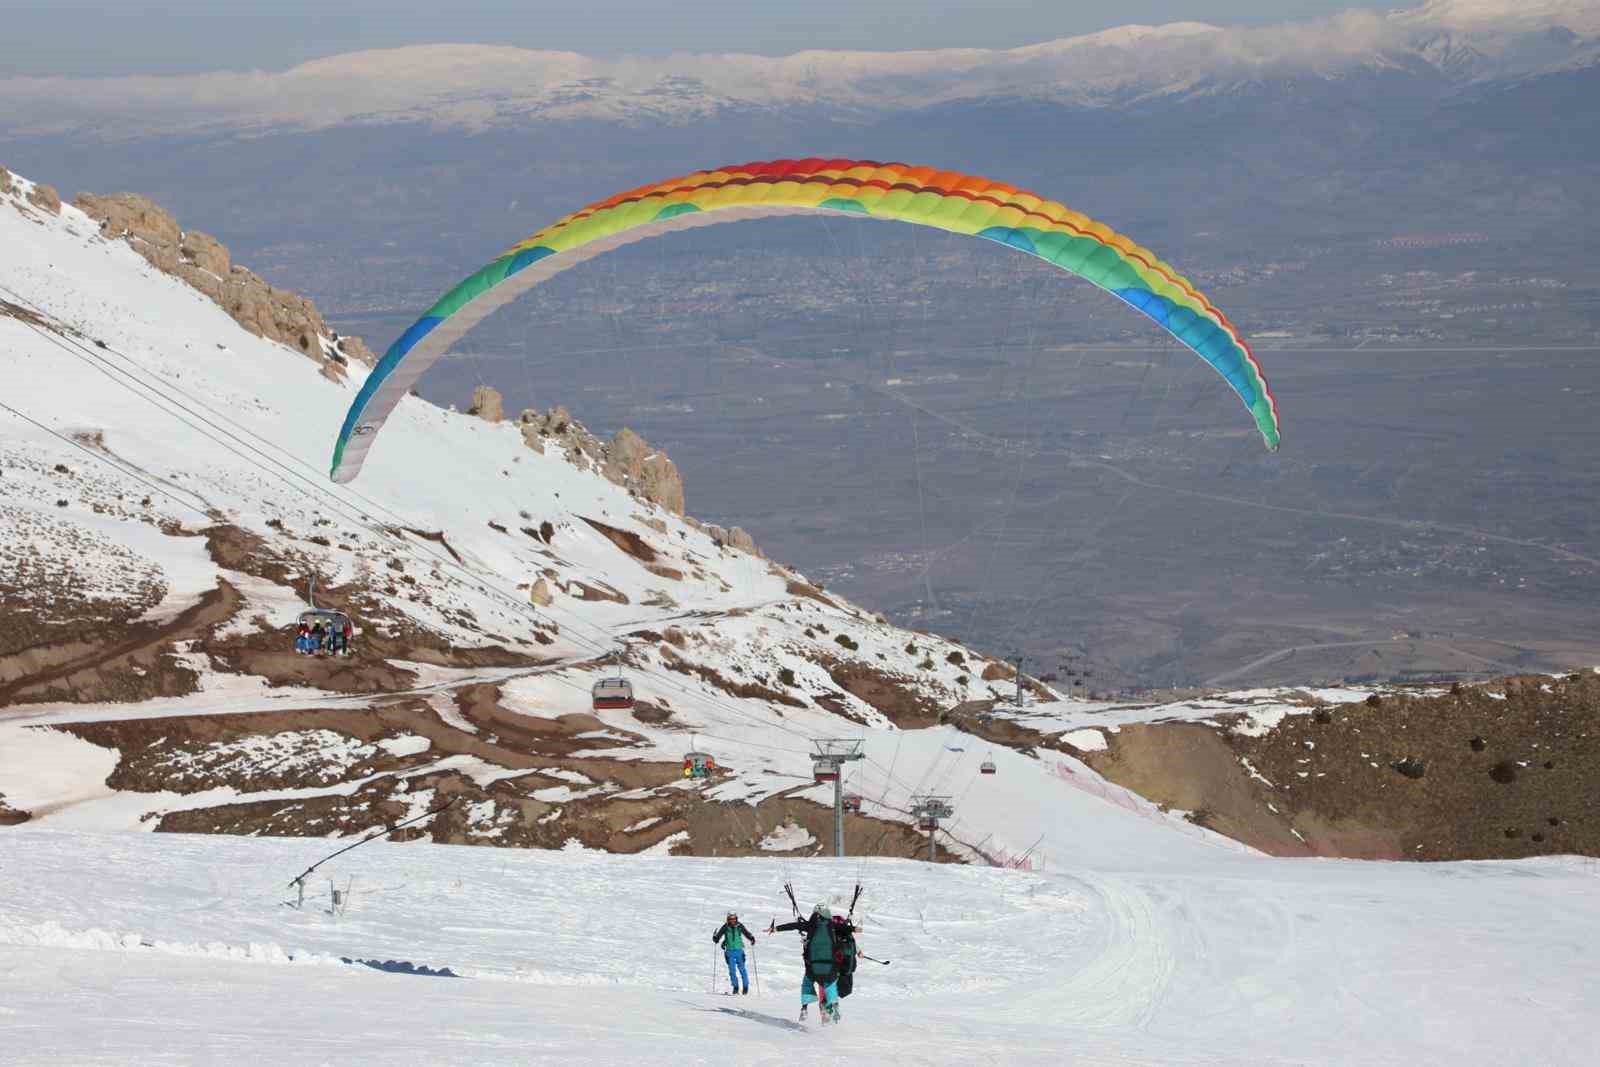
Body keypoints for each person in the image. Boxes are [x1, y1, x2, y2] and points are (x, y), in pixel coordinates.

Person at [770, 904, 843, 1023]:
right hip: (830, 967)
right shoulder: (832, 926)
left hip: (813, 968)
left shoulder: (810, 926)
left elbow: (794, 925)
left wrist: (776, 928)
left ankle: (804, 1008)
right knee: (830, 985)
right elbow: (845, 929)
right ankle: (834, 1005)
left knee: (807, 983)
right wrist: (854, 929)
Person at [712, 911, 756, 995]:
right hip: (729, 952)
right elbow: (719, 935)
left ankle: (745, 987)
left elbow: (746, 933)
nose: (732, 920)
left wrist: (751, 938)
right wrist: (716, 939)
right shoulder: (725, 927)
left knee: (742, 969)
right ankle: (735, 987)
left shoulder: (739, 926)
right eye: (731, 919)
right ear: (728, 919)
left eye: (734, 918)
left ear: (736, 918)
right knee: (732, 970)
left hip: (739, 951)